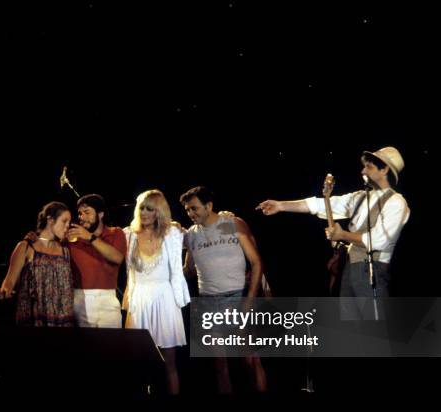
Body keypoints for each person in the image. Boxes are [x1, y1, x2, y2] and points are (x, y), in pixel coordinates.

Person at [257, 146, 410, 313]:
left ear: (385, 169)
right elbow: (321, 204)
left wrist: (343, 234)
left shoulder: (396, 202)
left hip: (372, 270)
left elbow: (379, 240)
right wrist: (281, 205)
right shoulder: (359, 197)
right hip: (350, 267)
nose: (362, 171)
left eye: (369, 167)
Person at [180, 186, 267, 393]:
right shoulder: (191, 235)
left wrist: (249, 300)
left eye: (194, 208)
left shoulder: (233, 223)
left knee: (250, 360)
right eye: (187, 210)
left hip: (237, 298)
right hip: (208, 302)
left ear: (209, 206)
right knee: (220, 364)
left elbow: (256, 262)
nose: (191, 214)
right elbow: (189, 270)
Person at [123, 189, 190, 394]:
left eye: (149, 209)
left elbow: (200, 234)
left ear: (159, 211)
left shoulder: (173, 233)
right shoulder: (128, 235)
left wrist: (224, 216)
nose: (144, 213)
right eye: (141, 208)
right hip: (139, 299)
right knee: (140, 362)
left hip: (165, 298)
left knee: (169, 363)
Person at [1, 201, 75, 327]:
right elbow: (9, 281)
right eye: (64, 221)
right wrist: (4, 291)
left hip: (62, 319)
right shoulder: (26, 246)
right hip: (35, 318)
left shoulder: (65, 250)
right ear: (50, 220)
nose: (67, 226)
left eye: (69, 222)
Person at [64, 194, 127, 328]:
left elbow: (117, 258)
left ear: (101, 214)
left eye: (87, 212)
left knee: (111, 345)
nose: (82, 217)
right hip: (80, 299)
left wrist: (90, 237)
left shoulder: (116, 233)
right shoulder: (72, 236)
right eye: (80, 213)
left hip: (108, 300)